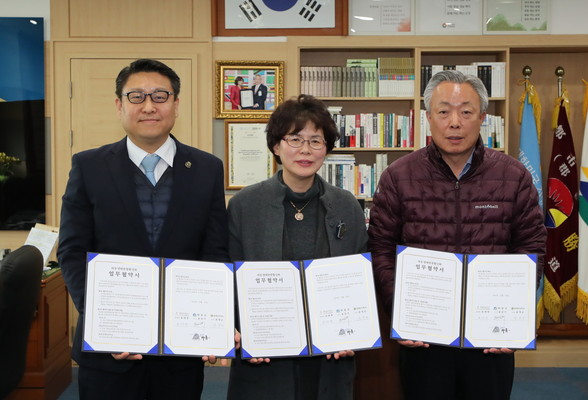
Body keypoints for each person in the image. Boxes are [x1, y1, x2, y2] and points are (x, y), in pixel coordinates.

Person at [368, 70, 546, 400]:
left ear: (483, 118)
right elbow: (381, 247)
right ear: (427, 118)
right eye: (444, 111)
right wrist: (400, 311)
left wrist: (513, 310)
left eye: (466, 111)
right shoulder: (398, 176)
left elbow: (531, 245)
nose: (454, 123)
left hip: (490, 337)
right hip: (424, 336)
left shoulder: (513, 175)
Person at [57, 58, 229, 400]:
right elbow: (72, 251)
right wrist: (103, 322)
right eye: (137, 96)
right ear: (120, 105)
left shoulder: (207, 168)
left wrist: (212, 324)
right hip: (110, 353)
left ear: (176, 105)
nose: (149, 106)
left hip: (179, 352)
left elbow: (214, 253)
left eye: (160, 96)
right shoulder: (89, 166)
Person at [226, 94, 367, 399]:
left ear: (326, 148)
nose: (305, 149)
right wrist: (240, 330)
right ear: (276, 146)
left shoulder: (346, 206)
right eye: (294, 139)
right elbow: (229, 277)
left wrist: (355, 328)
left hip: (331, 354)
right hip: (264, 356)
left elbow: (360, 280)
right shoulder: (244, 205)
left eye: (316, 141)